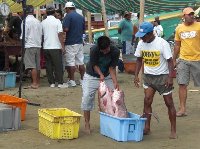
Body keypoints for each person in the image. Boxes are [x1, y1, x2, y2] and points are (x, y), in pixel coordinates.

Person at [134, 22, 176, 139]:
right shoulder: (141, 43)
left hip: (163, 77)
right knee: (147, 101)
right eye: (140, 36)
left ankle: (173, 130)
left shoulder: (162, 43)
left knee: (169, 103)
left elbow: (170, 61)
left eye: (143, 36)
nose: (142, 38)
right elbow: (138, 59)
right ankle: (147, 127)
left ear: (151, 33)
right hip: (148, 77)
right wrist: (136, 75)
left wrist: (170, 77)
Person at [81, 36, 120, 134]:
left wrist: (115, 82)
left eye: (106, 50)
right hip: (91, 75)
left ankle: (110, 122)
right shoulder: (94, 49)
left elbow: (112, 68)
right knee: (86, 98)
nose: (105, 52)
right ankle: (87, 123)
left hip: (107, 76)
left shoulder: (115, 51)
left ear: (109, 46)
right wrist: (100, 74)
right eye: (102, 51)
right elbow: (94, 65)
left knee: (112, 97)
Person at [173, 7, 200, 117]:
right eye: (189, 14)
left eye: (192, 14)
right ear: (184, 16)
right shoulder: (179, 28)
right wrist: (174, 59)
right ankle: (182, 108)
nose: (191, 16)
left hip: (198, 60)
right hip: (183, 60)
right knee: (182, 84)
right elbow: (177, 45)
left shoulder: (199, 26)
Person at [41, 5, 67, 88]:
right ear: (54, 12)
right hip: (55, 46)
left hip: (46, 47)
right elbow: (60, 34)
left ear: (46, 12)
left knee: (48, 65)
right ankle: (60, 83)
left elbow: (42, 35)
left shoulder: (43, 22)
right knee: (58, 65)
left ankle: (51, 83)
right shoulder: (57, 21)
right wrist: (62, 46)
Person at [63, 1, 85, 87]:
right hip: (79, 42)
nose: (65, 11)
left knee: (70, 62)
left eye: (66, 9)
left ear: (68, 8)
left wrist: (63, 28)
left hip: (70, 42)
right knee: (81, 62)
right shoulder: (81, 17)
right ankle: (82, 80)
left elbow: (66, 29)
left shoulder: (68, 16)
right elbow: (83, 30)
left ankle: (72, 80)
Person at [21, 5, 42, 89]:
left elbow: (24, 36)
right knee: (37, 65)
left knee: (32, 65)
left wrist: (23, 47)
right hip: (37, 45)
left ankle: (34, 83)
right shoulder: (37, 21)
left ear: (25, 11)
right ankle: (37, 82)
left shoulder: (25, 21)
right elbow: (41, 34)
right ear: (33, 11)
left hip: (30, 45)